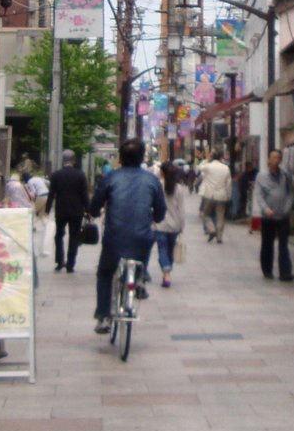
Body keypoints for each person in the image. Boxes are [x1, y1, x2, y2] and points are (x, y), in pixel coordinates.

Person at [89, 137, 166, 333]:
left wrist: (95, 212)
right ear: (142, 158)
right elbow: (160, 212)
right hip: (142, 238)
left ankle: (104, 316)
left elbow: (95, 206)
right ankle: (139, 278)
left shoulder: (111, 178)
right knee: (146, 242)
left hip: (114, 238)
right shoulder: (152, 180)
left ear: (120, 157)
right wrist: (154, 216)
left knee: (105, 273)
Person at [253, 149, 294, 282]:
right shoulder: (262, 176)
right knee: (267, 244)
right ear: (268, 159)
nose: (276, 160)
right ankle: (267, 270)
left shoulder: (285, 175)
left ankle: (285, 272)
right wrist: (266, 209)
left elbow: (290, 192)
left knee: (283, 244)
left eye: (278, 157)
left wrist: (287, 207)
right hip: (268, 217)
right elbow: (259, 195)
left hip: (283, 216)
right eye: (273, 157)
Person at [46, 149, 90, 273]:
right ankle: (71, 264)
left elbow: (51, 194)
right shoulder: (80, 175)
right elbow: (84, 194)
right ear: (74, 160)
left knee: (59, 235)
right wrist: (88, 210)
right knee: (74, 236)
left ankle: (60, 261)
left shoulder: (56, 175)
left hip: (61, 210)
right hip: (77, 211)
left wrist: (47, 209)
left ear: (63, 160)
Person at [155, 160, 193, 287]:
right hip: (175, 225)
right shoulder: (178, 189)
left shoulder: (157, 186)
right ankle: (167, 272)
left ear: (161, 172)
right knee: (170, 250)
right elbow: (181, 210)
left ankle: (166, 273)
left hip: (160, 224)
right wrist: (182, 226)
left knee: (162, 249)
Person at [197, 149, 232, 244]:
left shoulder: (209, 166)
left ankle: (211, 230)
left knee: (206, 214)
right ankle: (219, 237)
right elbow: (228, 184)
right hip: (222, 195)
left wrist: (206, 160)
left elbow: (199, 167)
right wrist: (228, 195)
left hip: (210, 195)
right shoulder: (226, 168)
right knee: (220, 216)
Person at [26, 168, 50, 258]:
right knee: (41, 213)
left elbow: (34, 192)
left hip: (40, 196)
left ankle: (32, 226)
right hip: (47, 194)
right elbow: (47, 182)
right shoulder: (38, 178)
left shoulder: (29, 182)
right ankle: (46, 224)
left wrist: (32, 200)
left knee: (33, 212)